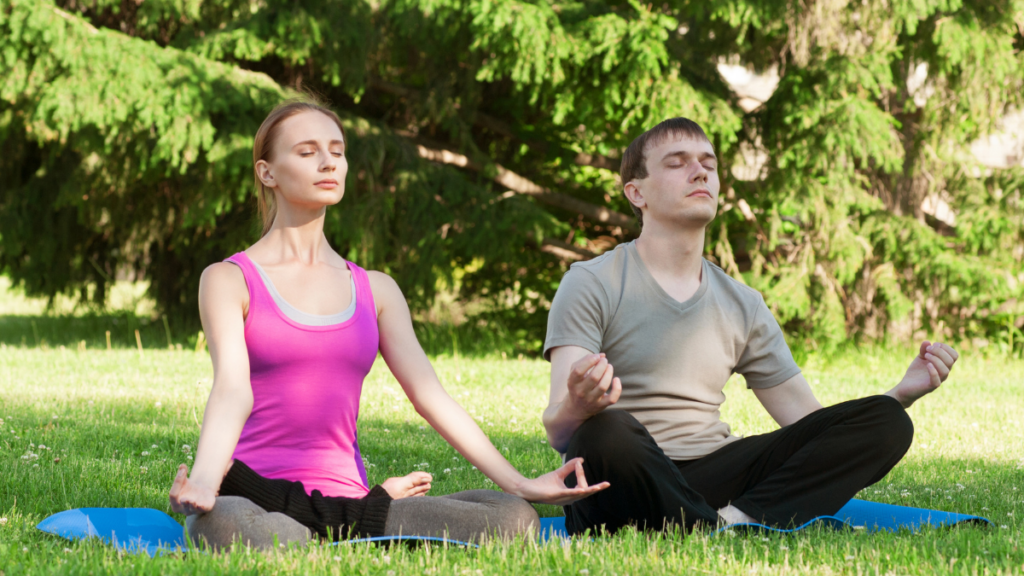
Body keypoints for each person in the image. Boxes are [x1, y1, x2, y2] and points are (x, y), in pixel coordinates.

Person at [168, 99, 608, 550]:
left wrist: (522, 484)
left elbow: (432, 399)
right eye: (306, 151)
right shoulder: (229, 279)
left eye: (337, 151)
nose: (328, 162)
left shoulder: (375, 289)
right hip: (257, 500)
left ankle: (345, 525)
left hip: (354, 500)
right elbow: (231, 390)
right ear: (267, 172)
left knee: (514, 520)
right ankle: (353, 526)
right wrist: (205, 481)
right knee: (226, 525)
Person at [542, 117, 959, 536]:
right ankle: (713, 523)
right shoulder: (594, 281)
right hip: (620, 477)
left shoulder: (743, 303)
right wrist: (578, 406)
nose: (700, 171)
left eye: (709, 162)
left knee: (887, 420)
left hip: (714, 478)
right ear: (637, 192)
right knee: (605, 430)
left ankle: (731, 522)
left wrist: (899, 396)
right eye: (677, 162)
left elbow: (809, 425)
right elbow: (560, 433)